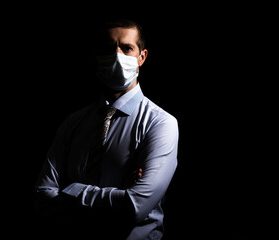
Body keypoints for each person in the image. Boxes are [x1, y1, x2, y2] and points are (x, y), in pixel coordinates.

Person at [34, 18, 179, 240]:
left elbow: (135, 206)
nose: (117, 55)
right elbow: (41, 199)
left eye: (127, 48)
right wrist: (118, 192)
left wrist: (72, 189)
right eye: (109, 48)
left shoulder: (160, 123)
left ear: (142, 57)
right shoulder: (73, 123)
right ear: (97, 56)